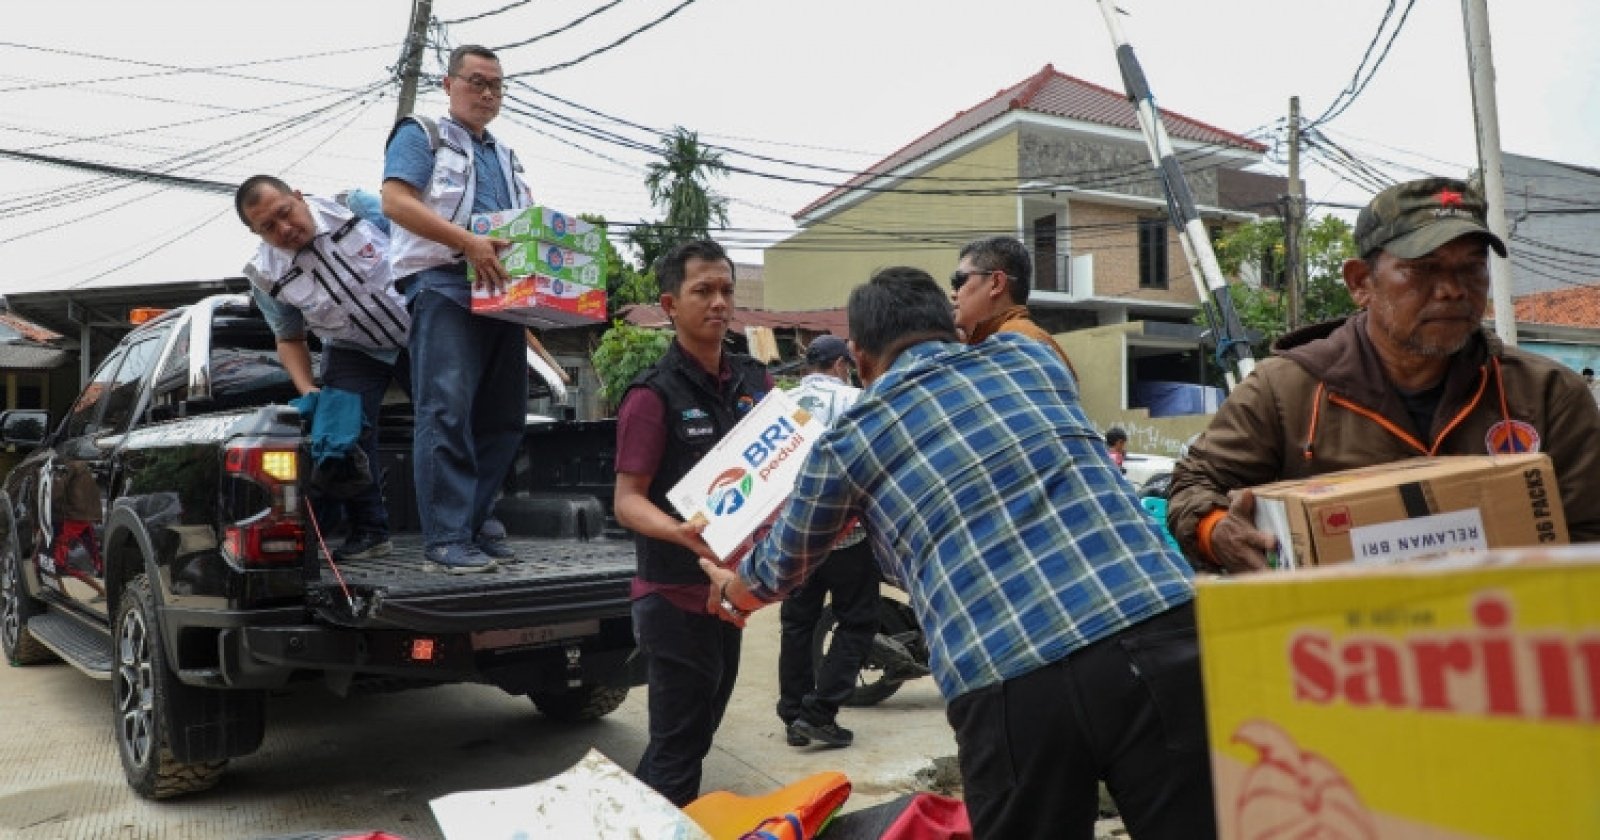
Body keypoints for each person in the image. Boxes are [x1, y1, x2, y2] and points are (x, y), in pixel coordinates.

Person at [702, 267, 1211, 840]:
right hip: (1161, 627)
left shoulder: (848, 443)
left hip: (1010, 681)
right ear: (952, 327)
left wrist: (730, 590)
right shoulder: (1033, 361)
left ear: (860, 357)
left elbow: (779, 566)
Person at [1167, 177, 1600, 574]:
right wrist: (1215, 530)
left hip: (1503, 639)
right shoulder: (1284, 390)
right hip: (1336, 645)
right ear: (1360, 282)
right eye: (1424, 268)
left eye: (1471, 268)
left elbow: (1589, 532)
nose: (1452, 289)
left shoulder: (1548, 394)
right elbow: (1192, 484)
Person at [612, 239, 774, 807]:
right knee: (680, 749)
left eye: (726, 290)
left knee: (693, 736)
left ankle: (624, 818)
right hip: (673, 595)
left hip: (730, 592)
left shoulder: (756, 383)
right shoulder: (652, 396)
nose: (719, 303)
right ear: (670, 304)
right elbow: (628, 500)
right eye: (703, 291)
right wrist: (677, 530)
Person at [381, 44, 533, 573]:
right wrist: (467, 242)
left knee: (503, 418)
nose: (487, 93)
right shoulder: (422, 135)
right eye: (476, 81)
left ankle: (473, 524)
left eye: (496, 84)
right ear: (449, 85)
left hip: (501, 296)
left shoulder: (507, 157)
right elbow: (396, 202)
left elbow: (525, 228)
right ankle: (445, 539)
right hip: (442, 285)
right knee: (445, 413)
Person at [237, 175, 411, 560]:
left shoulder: (355, 208)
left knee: (446, 421)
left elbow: (420, 244)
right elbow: (289, 338)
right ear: (256, 232)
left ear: (298, 197)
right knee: (341, 436)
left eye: (286, 213)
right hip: (353, 349)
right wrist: (308, 389)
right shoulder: (265, 275)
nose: (285, 229)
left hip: (420, 330)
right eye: (268, 227)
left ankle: (462, 528)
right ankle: (370, 531)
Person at [775, 335, 879, 749]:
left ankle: (793, 715)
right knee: (857, 621)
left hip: (794, 537)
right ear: (840, 364)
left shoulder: (782, 404)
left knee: (797, 625)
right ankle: (820, 713)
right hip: (846, 537)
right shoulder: (858, 401)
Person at [951, 235, 1077, 379]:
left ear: (996, 283)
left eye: (959, 281)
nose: (953, 293)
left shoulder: (1020, 344)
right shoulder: (989, 342)